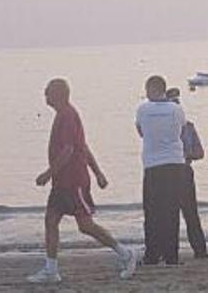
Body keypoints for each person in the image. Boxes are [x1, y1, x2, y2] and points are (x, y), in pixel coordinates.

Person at [27, 78, 137, 283]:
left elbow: (70, 150)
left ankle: (125, 254)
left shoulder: (68, 115)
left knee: (85, 225)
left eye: (48, 92)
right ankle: (51, 270)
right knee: (51, 220)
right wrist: (98, 173)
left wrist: (48, 173)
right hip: (61, 183)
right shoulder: (62, 115)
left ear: (58, 95)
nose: (45, 95)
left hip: (74, 181)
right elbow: (83, 147)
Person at [135, 75, 188, 265]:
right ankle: (171, 255)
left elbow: (141, 132)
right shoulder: (176, 109)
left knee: (152, 212)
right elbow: (182, 131)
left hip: (153, 164)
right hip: (174, 162)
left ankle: (152, 254)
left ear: (152, 89)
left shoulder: (143, 109)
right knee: (171, 211)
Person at [166, 88, 208, 259]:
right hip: (168, 171)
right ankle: (169, 251)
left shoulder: (189, 127)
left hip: (184, 170)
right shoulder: (163, 128)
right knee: (169, 214)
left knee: (190, 212)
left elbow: (200, 152)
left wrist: (186, 154)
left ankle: (200, 250)